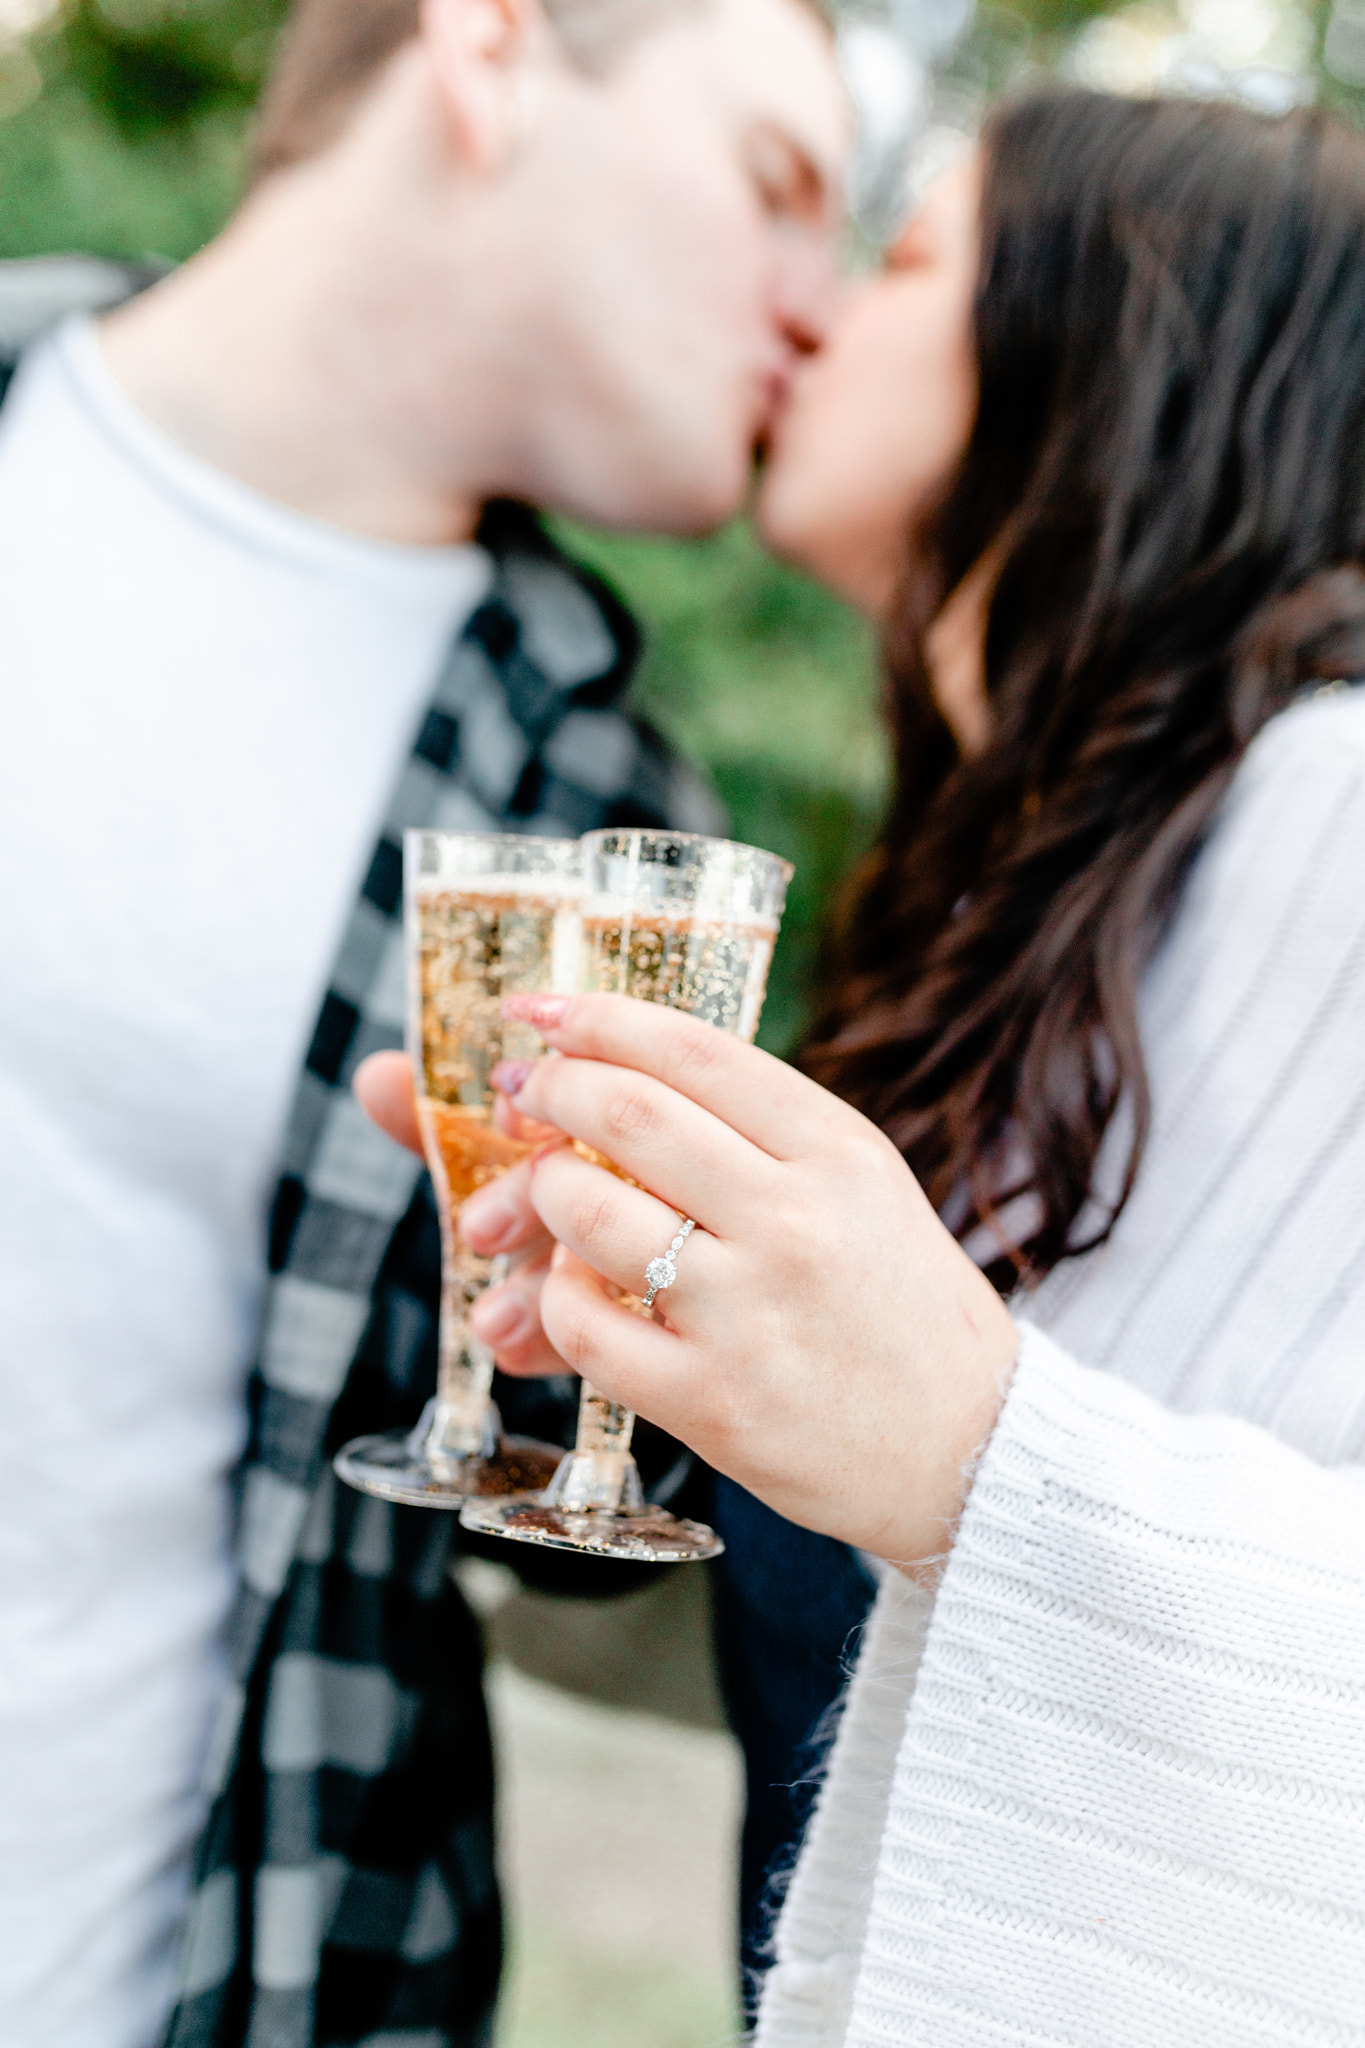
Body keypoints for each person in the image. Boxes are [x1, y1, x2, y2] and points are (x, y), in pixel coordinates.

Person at [361, 87, 1365, 2040]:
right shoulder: (1018, 899)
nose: (804, 314)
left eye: (902, 259)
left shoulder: (1330, 817)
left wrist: (970, 1453)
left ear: (1105, 360)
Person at [0, 2, 848, 2044]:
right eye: (771, 185)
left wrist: (626, 1322)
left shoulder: (587, 806)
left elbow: (573, 1543)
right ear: (489, 49)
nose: (813, 312)